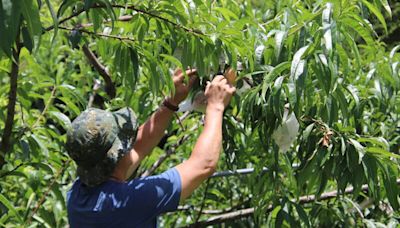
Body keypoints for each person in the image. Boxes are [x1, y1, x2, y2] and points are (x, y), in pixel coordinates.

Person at [65, 68, 236, 227]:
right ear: (117, 156)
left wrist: (171, 102)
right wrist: (216, 106)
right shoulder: (126, 202)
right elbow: (203, 165)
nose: (129, 143)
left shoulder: (77, 197)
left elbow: (138, 147)